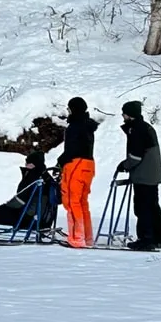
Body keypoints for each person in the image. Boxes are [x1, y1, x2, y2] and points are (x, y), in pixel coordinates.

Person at [117, 100, 161, 251]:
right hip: (152, 174)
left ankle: (146, 239)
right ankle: (160, 238)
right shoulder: (145, 127)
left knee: (142, 207)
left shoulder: (137, 129)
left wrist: (125, 165)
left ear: (130, 115)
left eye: (124, 113)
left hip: (144, 175)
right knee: (152, 206)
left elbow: (136, 156)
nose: (123, 116)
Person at [56, 96, 98, 248]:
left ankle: (76, 238)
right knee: (82, 202)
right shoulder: (87, 125)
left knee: (72, 202)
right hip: (89, 165)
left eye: (69, 108)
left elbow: (71, 149)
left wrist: (60, 162)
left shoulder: (75, 126)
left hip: (76, 165)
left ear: (73, 109)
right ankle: (87, 237)